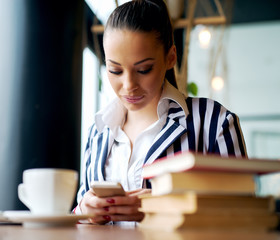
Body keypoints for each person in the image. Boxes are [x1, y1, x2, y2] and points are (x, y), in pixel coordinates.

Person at [74, 0, 247, 225]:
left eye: (143, 69)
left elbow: (244, 215)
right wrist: (84, 212)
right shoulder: (97, 133)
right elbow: (78, 220)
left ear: (170, 57)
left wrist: (164, 208)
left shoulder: (215, 123)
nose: (128, 85)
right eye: (115, 70)